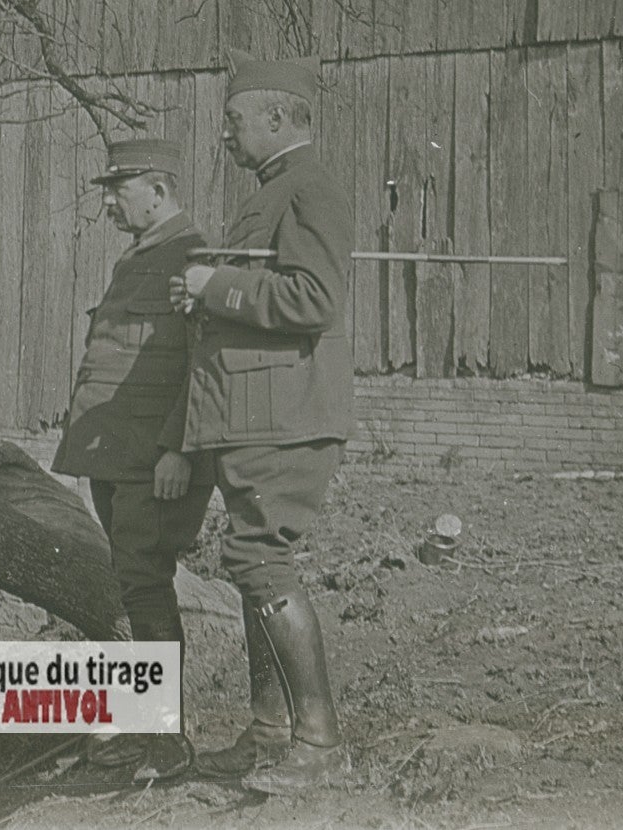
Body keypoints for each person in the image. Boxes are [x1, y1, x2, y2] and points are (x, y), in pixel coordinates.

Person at [168, 50, 354, 794]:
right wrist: (213, 291)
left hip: (284, 416)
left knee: (258, 562)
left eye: (234, 120)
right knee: (252, 569)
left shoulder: (310, 187)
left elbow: (312, 299)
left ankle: (320, 744)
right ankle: (271, 734)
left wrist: (218, 287)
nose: (224, 136)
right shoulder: (273, 191)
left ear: (278, 118)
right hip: (253, 417)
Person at [51, 138, 214, 779]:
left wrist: (178, 447)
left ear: (157, 188)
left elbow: (202, 363)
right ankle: (146, 732)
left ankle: (166, 743)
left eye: (119, 190)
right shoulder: (141, 256)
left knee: (146, 587)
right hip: (114, 454)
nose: (111, 203)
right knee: (134, 585)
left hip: (153, 456)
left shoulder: (192, 255)